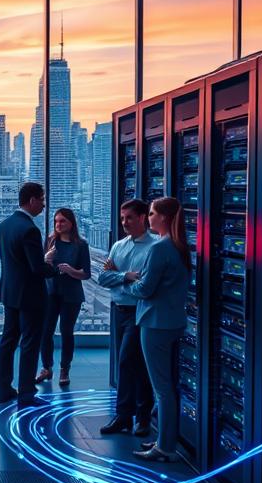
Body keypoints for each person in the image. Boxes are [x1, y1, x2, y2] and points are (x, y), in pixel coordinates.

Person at [124, 196, 192, 462]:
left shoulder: (159, 248)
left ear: (163, 217)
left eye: (151, 213)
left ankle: (164, 447)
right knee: (169, 386)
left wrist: (128, 283)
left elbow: (145, 289)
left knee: (161, 389)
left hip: (155, 323)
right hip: (174, 322)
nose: (148, 217)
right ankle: (166, 438)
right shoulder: (180, 246)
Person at [97, 200, 157, 438]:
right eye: (123, 218)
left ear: (143, 217)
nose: (124, 223)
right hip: (119, 311)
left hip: (139, 312)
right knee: (132, 364)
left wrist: (117, 277)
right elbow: (103, 278)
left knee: (129, 362)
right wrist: (125, 276)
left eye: (130, 218)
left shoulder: (155, 247)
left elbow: (145, 284)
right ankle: (128, 416)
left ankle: (135, 417)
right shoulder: (118, 246)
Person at [0, 181, 57, 407]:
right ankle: (26, 393)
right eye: (42, 200)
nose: (43, 205)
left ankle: (3, 389)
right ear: (31, 200)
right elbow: (37, 268)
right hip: (30, 296)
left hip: (10, 293)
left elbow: (13, 262)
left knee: (8, 341)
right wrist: (54, 266)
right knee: (30, 343)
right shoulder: (30, 229)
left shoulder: (4, 225)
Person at [36, 208, 91, 386]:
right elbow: (42, 267)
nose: (58, 225)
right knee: (46, 332)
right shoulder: (50, 241)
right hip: (50, 292)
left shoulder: (81, 245)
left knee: (67, 332)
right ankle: (46, 368)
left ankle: (64, 369)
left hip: (71, 295)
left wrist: (71, 270)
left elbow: (86, 274)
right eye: (56, 221)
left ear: (71, 223)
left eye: (62, 221)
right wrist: (47, 260)